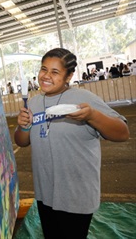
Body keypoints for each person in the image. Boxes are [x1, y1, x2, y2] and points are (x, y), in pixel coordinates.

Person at [14, 48, 129, 239]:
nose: (46, 76)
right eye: (44, 69)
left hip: (76, 194)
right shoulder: (33, 103)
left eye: (55, 72)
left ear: (69, 76)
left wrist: (93, 115)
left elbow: (122, 133)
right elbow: (22, 142)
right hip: (45, 192)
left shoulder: (84, 99)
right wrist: (23, 127)